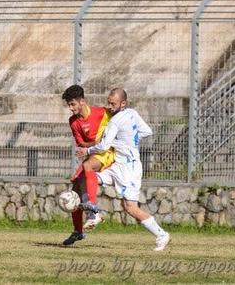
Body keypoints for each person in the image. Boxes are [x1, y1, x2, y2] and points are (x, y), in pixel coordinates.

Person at [76, 88, 170, 251]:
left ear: (123, 103)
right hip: (117, 166)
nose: (110, 107)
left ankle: (162, 235)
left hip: (130, 169)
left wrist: (87, 151)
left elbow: (104, 146)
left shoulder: (115, 121)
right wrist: (130, 140)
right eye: (109, 103)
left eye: (113, 104)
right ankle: (93, 214)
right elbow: (147, 131)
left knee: (130, 208)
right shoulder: (132, 113)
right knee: (87, 176)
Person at [61, 85, 115, 246]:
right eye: (69, 105)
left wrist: (103, 142)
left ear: (82, 101)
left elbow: (119, 119)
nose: (70, 108)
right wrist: (95, 143)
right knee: (75, 190)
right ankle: (78, 232)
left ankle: (93, 210)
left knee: (87, 167)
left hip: (108, 153)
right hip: (93, 154)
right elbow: (82, 145)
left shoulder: (101, 113)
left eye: (72, 104)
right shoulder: (73, 122)